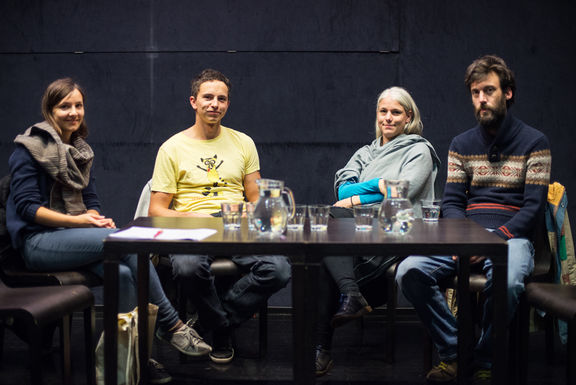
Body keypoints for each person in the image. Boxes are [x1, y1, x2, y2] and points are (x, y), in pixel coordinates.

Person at [6, 78, 212, 384]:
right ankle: (172, 326)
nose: (73, 112)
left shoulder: (80, 151)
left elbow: (90, 201)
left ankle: (128, 360)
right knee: (127, 244)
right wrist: (84, 222)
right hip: (36, 243)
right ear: (50, 110)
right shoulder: (29, 149)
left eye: (78, 105)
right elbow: (27, 208)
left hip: (69, 240)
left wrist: (93, 216)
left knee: (126, 275)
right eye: (65, 106)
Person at [395, 55, 552, 384]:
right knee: (409, 271)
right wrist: (463, 239)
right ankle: (455, 352)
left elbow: (533, 208)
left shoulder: (535, 142)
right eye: (476, 92)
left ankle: (484, 359)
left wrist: (492, 241)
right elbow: (452, 202)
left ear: (507, 93)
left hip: (511, 237)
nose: (482, 99)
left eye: (489, 91)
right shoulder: (461, 144)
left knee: (508, 282)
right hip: (466, 237)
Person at [148, 69, 291, 364]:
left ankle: (204, 325)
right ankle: (222, 330)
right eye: (208, 97)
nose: (215, 104)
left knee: (279, 269)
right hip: (193, 225)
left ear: (227, 104)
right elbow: (157, 210)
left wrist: (255, 207)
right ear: (193, 102)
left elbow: (255, 196)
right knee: (187, 267)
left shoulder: (243, 143)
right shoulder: (171, 148)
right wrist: (194, 219)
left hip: (233, 224)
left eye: (221, 99)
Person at [315, 86, 440, 375]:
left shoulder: (419, 150)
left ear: (408, 116)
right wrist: (376, 186)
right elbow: (341, 186)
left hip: (396, 228)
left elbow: (402, 194)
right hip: (356, 229)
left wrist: (355, 198)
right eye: (383, 111)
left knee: (331, 224)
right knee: (329, 242)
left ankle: (322, 348)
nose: (388, 118)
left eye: (396, 112)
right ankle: (350, 295)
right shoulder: (366, 152)